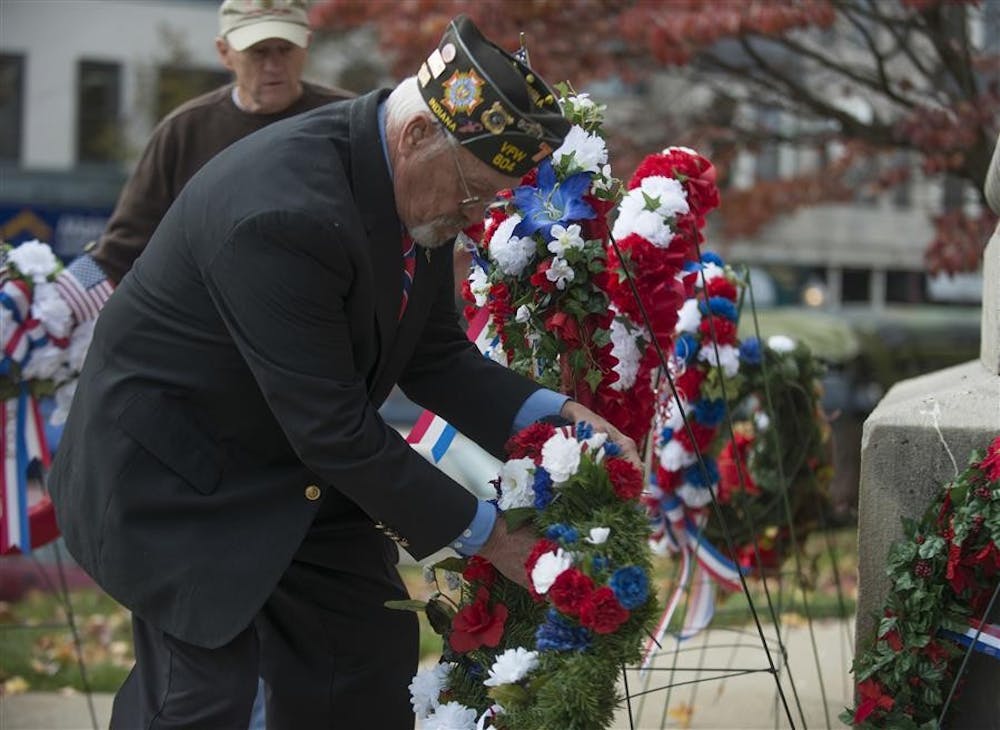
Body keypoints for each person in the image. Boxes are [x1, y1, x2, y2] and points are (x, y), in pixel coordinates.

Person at [48, 14, 638, 729]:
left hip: (279, 458)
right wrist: (495, 537)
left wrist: (558, 419)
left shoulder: (410, 193)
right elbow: (335, 430)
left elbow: (434, 357)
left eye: (490, 200)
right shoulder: (285, 214)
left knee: (364, 653)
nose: (474, 216)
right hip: (174, 479)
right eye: (473, 190)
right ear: (419, 135)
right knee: (200, 698)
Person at [54, 0, 353, 321]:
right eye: (258, 52)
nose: (274, 64)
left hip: (318, 321)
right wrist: (54, 297)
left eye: (285, 49)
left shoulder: (346, 123)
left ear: (306, 43)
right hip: (208, 335)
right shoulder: (183, 132)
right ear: (224, 52)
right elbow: (120, 250)